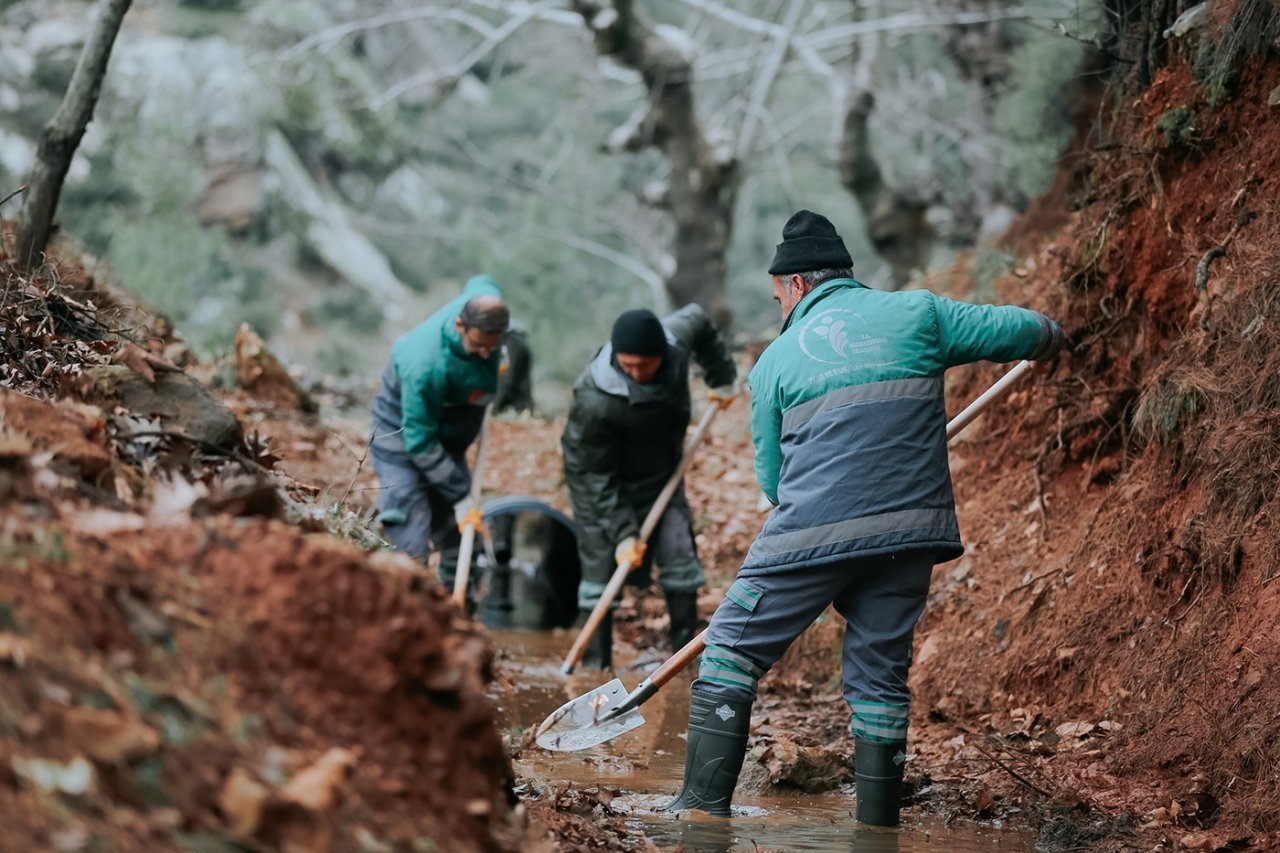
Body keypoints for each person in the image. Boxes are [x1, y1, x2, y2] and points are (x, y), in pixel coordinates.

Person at [664, 210, 1063, 825]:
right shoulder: (921, 315)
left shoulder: (773, 362)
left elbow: (773, 484)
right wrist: (1051, 337)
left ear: (795, 285)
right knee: (879, 680)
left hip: (809, 533)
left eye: (778, 298)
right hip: (911, 534)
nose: (780, 309)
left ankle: (698, 819)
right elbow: (1025, 330)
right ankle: (877, 833)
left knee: (728, 655)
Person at [561, 305, 738, 669]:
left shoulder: (676, 339)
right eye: (628, 366)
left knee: (680, 557)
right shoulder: (594, 399)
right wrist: (624, 532)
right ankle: (594, 671)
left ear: (663, 354)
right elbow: (593, 475)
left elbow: (700, 320)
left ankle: (684, 664)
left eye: (645, 365)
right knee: (600, 574)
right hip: (602, 485)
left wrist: (721, 377)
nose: (637, 373)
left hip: (662, 476)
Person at [369, 275, 509, 592]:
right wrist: (460, 495)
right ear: (460, 325)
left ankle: (456, 614)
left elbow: (483, 282)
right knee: (410, 536)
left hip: (445, 437)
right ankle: (408, 615)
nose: (487, 355)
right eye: (478, 346)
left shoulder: (485, 308)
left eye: (493, 347)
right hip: (402, 436)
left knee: (461, 535)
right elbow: (418, 442)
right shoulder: (425, 364)